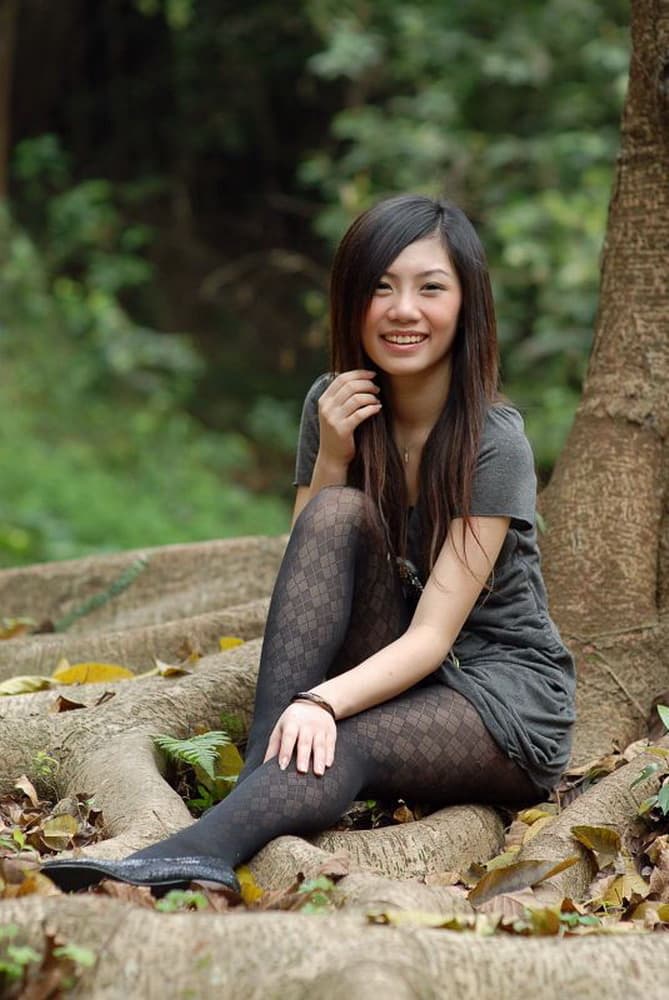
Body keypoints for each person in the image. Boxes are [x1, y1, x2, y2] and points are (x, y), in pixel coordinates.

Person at [42, 194, 576, 895]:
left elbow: (432, 636)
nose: (402, 309)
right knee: (337, 510)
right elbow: (307, 574)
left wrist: (320, 703)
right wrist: (332, 454)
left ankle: (198, 849)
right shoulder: (333, 402)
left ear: (466, 304)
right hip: (393, 666)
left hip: (499, 692)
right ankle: (263, 777)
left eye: (429, 288)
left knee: (341, 739)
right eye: (380, 286)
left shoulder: (493, 441)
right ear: (351, 300)